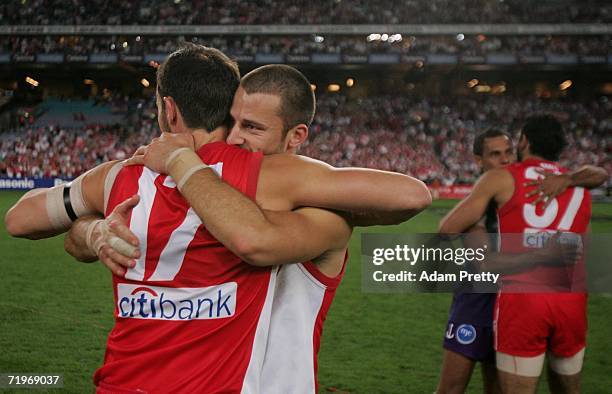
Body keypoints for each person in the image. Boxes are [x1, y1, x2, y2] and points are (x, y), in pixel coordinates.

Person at [5, 47, 431, 393]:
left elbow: (22, 219)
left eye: (253, 127)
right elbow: (409, 196)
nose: (241, 139)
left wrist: (92, 225)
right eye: (239, 123)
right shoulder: (270, 180)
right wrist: (92, 231)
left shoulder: (123, 176)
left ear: (169, 110)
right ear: (226, 110)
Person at [436, 129, 607, 394]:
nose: (505, 159)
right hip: (478, 297)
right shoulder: (479, 206)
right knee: (452, 388)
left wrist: (567, 179)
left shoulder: (520, 185)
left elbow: (599, 174)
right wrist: (543, 254)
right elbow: (483, 262)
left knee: (497, 388)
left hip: (514, 299)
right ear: (478, 160)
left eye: (508, 152)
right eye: (495, 154)